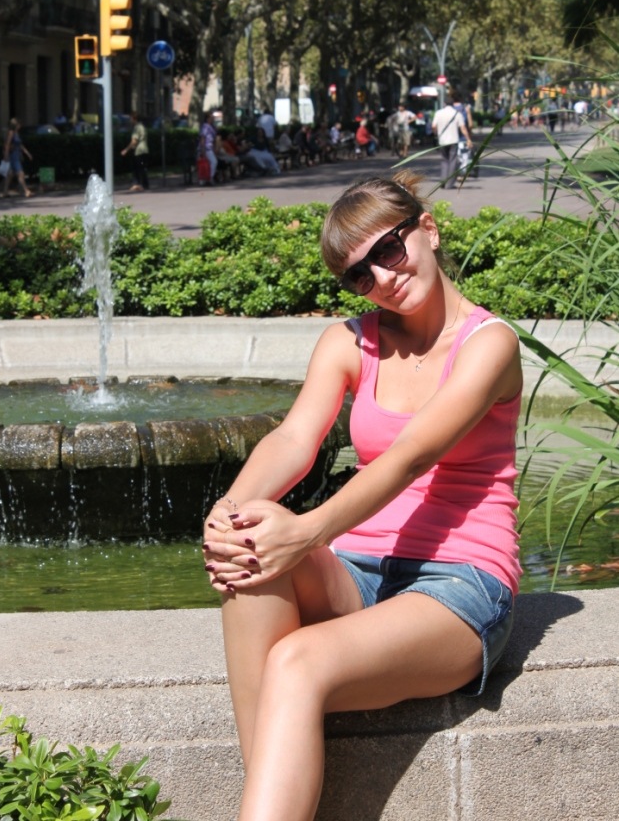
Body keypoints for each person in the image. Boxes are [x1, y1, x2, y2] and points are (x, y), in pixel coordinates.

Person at [203, 170, 522, 821]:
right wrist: (227, 513)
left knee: (296, 662)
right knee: (248, 551)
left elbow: (412, 455)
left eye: (389, 249)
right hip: (356, 573)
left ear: (427, 229)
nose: (382, 277)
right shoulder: (350, 341)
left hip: (460, 584)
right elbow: (294, 439)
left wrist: (307, 531)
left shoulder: (489, 344)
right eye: (359, 274)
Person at [432, 92, 470, 189]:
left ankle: (443, 181)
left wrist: (436, 134)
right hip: (453, 140)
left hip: (442, 140)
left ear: (444, 103)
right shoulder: (457, 114)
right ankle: (450, 184)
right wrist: (468, 139)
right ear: (453, 104)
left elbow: (433, 126)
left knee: (444, 160)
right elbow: (463, 128)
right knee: (452, 161)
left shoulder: (438, 113)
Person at [2, 118, 33, 197]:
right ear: (15, 125)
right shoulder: (11, 133)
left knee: (10, 175)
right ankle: (26, 190)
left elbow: (20, 145)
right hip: (13, 156)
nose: (20, 126)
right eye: (19, 124)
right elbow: (7, 144)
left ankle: (5, 192)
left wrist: (27, 153)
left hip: (17, 154)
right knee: (20, 173)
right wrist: (6, 156)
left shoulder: (16, 133)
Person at [121, 112, 149, 191]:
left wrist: (126, 150)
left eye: (131, 118)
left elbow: (134, 141)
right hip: (144, 150)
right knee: (142, 168)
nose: (130, 120)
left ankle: (139, 184)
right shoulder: (142, 126)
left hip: (139, 151)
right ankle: (143, 184)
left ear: (134, 119)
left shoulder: (137, 128)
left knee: (138, 168)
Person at [197, 111, 218, 185]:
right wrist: (203, 150)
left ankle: (207, 178)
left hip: (210, 147)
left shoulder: (211, 127)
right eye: (211, 117)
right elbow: (203, 138)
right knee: (214, 162)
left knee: (210, 163)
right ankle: (210, 177)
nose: (212, 119)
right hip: (206, 148)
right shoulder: (205, 127)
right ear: (207, 118)